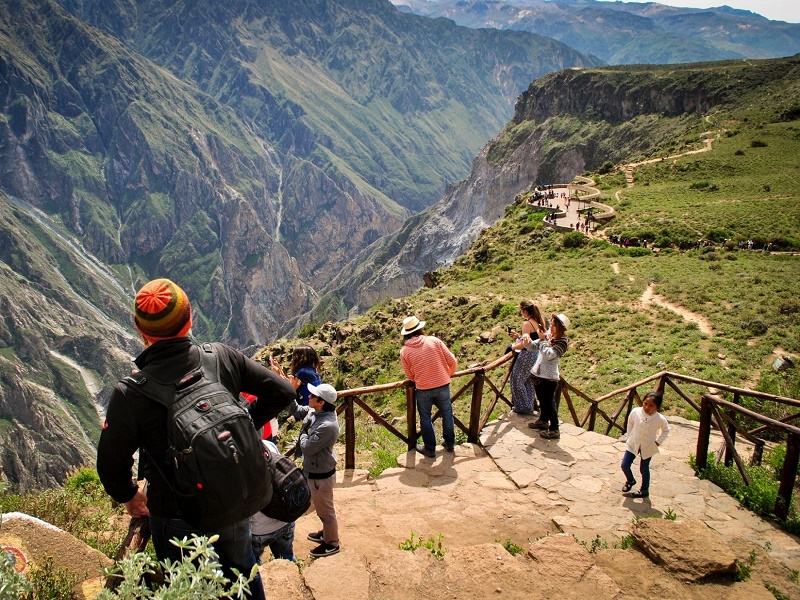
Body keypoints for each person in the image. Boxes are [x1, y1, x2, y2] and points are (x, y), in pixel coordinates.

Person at [97, 278, 296, 600]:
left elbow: (110, 465)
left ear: (140, 330)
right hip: (231, 496)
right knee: (242, 573)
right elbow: (283, 391)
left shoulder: (130, 393)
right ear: (190, 319)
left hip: (175, 510)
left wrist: (131, 495)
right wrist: (243, 423)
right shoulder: (220, 357)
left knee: (190, 587)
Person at [288, 382, 341, 558]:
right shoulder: (315, 411)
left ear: (321, 402)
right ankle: (326, 532)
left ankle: (331, 543)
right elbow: (296, 410)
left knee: (327, 511)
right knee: (321, 508)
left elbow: (308, 448)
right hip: (315, 471)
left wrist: (303, 433)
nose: (308, 397)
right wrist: (290, 389)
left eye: (312, 396)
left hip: (321, 476)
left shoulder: (327, 426)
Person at [400, 315, 458, 458]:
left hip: (423, 388)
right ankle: (450, 443)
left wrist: (423, 379)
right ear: (420, 329)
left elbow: (410, 376)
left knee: (425, 418)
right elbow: (452, 361)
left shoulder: (404, 351)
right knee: (447, 414)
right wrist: (447, 375)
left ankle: (430, 449)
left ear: (406, 334)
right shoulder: (434, 341)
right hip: (443, 385)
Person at [525, 313, 570, 440]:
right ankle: (543, 421)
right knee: (542, 400)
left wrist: (544, 340)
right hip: (538, 374)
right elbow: (533, 347)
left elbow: (549, 355)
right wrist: (526, 340)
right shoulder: (548, 337)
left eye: (554, 325)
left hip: (549, 377)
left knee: (549, 403)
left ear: (560, 328)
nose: (552, 327)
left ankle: (554, 428)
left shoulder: (562, 342)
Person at [250, 439, 296, 562]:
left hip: (258, 529)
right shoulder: (268, 445)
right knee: (287, 558)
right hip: (285, 520)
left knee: (254, 568)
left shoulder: (235, 459)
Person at [621, 391, 670, 499]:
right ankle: (630, 480)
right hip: (634, 443)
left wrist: (658, 442)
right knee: (624, 465)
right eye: (645, 404)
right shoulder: (636, 412)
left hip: (648, 446)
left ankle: (644, 489)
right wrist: (629, 437)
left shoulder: (660, 419)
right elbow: (630, 423)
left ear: (657, 407)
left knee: (644, 468)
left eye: (651, 405)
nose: (647, 407)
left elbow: (666, 430)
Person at [507, 300, 547, 415]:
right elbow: (532, 339)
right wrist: (518, 337)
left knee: (516, 379)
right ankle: (529, 405)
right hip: (536, 354)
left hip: (527, 355)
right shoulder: (539, 321)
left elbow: (525, 344)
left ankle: (522, 407)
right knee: (529, 380)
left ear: (525, 311)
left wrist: (512, 347)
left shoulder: (527, 324)